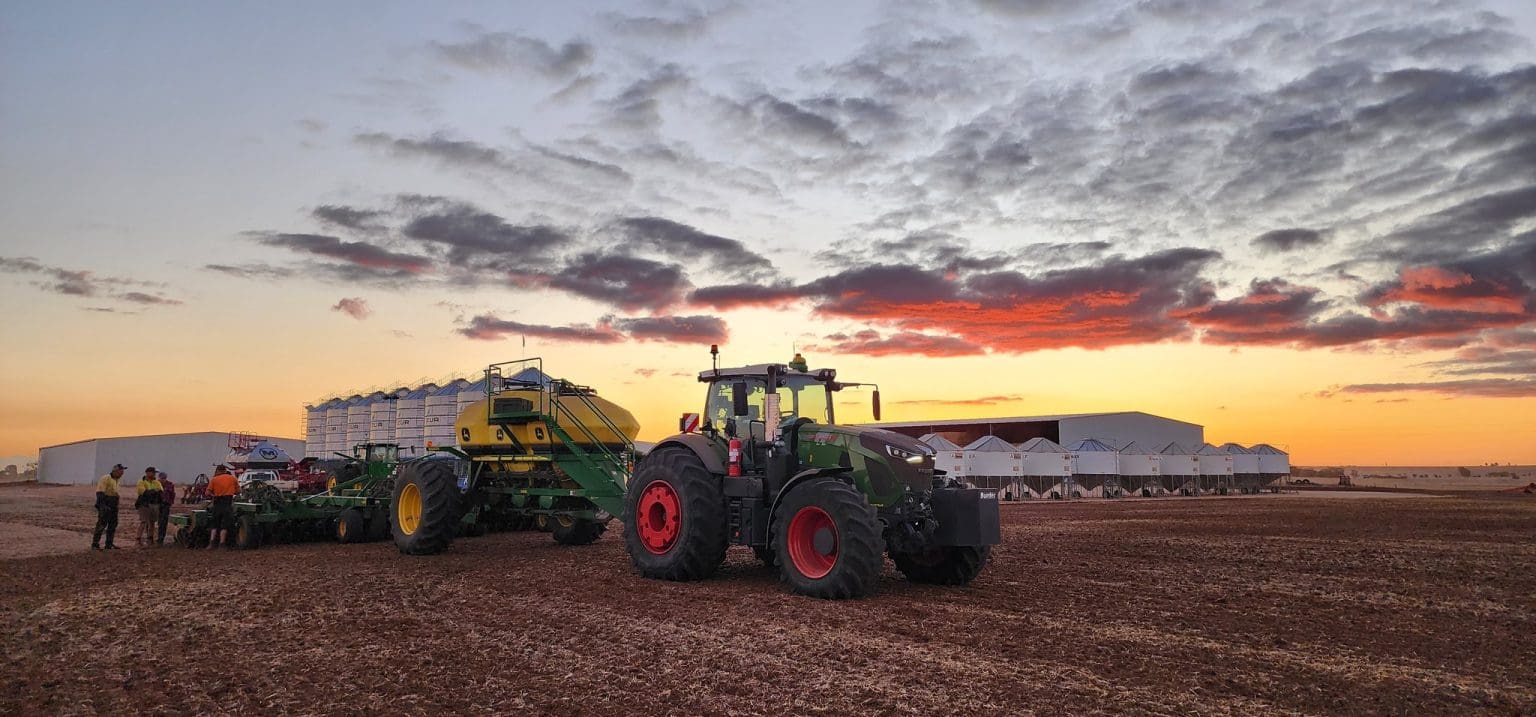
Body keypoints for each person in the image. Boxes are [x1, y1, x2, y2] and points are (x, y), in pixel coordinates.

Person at [91, 464, 126, 550]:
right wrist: (103, 505)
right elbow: (100, 492)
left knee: (113, 524)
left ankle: (109, 543)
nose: (122, 473)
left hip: (113, 503)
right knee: (101, 524)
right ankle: (95, 544)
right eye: (121, 471)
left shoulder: (117, 480)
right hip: (105, 502)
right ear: (115, 471)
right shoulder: (105, 478)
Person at [206, 465, 239, 549]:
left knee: (215, 524)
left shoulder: (214, 479)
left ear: (218, 471)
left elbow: (207, 493)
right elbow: (239, 491)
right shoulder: (233, 478)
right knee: (224, 525)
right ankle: (222, 544)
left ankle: (211, 543)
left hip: (217, 504)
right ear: (225, 470)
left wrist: (214, 495)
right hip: (227, 504)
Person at [134, 467, 162, 546]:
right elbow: (143, 492)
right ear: (147, 472)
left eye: (154, 473)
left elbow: (160, 491)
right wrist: (153, 491)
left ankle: (150, 539)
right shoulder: (141, 482)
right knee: (143, 521)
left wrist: (150, 492)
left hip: (154, 504)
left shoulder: (156, 482)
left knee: (152, 522)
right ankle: (138, 539)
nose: (154, 474)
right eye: (153, 472)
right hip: (144, 504)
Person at [156, 471, 175, 545]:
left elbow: (172, 494)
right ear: (159, 478)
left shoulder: (170, 484)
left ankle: (161, 538)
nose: (163, 479)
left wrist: (170, 502)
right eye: (162, 478)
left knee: (163, 522)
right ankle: (152, 537)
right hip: (157, 504)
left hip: (166, 505)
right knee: (156, 521)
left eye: (164, 478)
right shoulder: (156, 484)